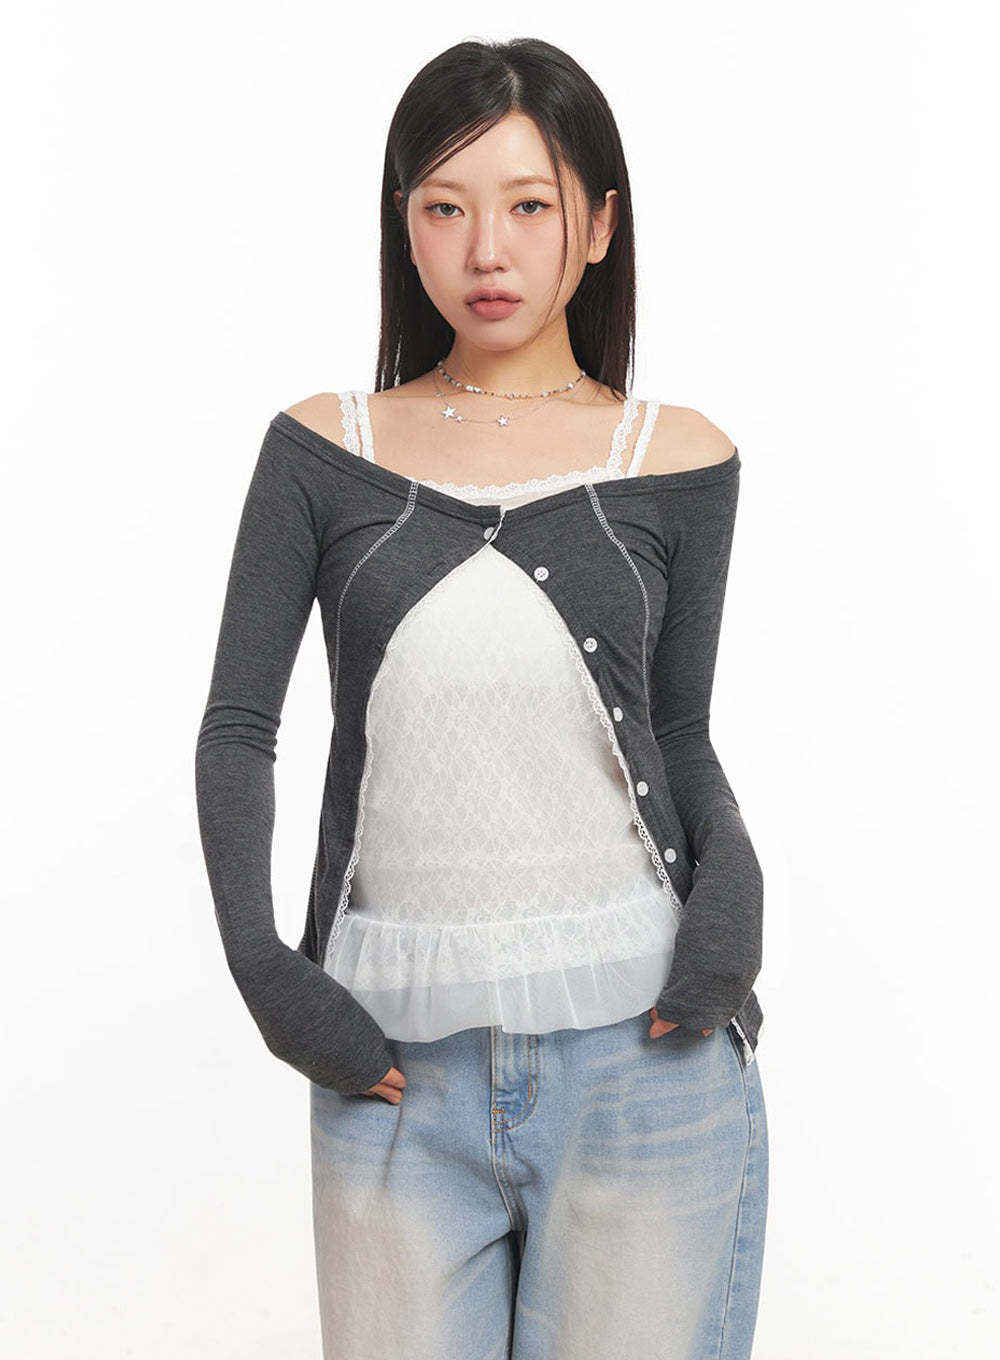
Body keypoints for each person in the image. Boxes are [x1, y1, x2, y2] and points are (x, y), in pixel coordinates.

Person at [195, 36, 768, 1360]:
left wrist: (733, 896)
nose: (486, 251)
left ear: (599, 225)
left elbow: (680, 732)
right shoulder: (322, 450)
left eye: (528, 205)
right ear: (404, 225)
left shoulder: (681, 458)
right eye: (445, 208)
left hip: (648, 1059)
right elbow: (239, 730)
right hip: (393, 1073)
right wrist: (266, 970)